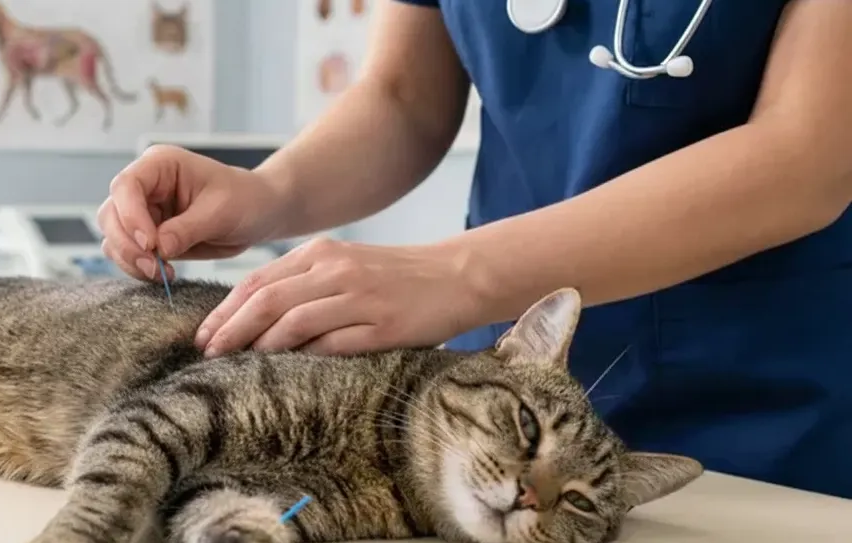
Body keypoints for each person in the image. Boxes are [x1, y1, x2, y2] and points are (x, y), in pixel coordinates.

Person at [97, 0, 852, 498]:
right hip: (497, 393)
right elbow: (402, 97)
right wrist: (269, 193)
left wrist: (453, 273)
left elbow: (807, 158)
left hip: (762, 405)